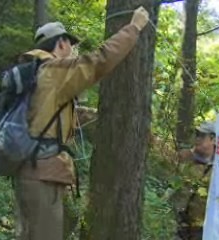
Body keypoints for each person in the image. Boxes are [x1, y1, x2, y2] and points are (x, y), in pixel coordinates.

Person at [13, 6, 149, 240]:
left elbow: (46, 115)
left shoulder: (32, 72)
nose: (74, 51)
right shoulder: (54, 71)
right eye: (71, 46)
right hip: (43, 178)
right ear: (61, 44)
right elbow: (99, 61)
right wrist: (134, 27)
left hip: (26, 173)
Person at [171, 121, 216, 240]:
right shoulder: (185, 157)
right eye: (197, 134)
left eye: (202, 135)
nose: (198, 138)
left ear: (213, 139)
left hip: (203, 230)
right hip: (179, 224)